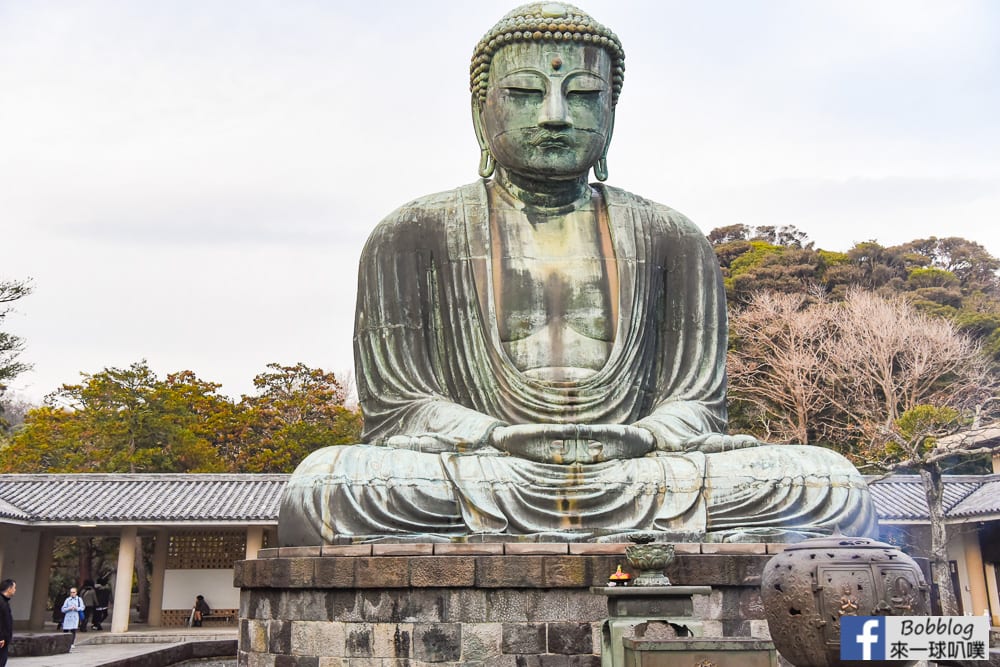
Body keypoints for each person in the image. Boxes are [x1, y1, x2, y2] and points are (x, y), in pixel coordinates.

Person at [278, 2, 878, 546]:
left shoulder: (672, 236)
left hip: (642, 468)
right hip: (482, 466)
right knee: (326, 489)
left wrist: (642, 436)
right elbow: (400, 408)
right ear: (480, 110)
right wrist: (495, 436)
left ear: (612, 113)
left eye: (585, 94)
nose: (556, 115)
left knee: (830, 484)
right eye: (525, 93)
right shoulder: (412, 232)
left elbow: (696, 404)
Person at [0, 579, 15, 667]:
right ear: (9, 588)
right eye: (14, 588)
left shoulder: (4, 601)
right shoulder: (1, 602)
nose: (15, 590)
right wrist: (1, 637)